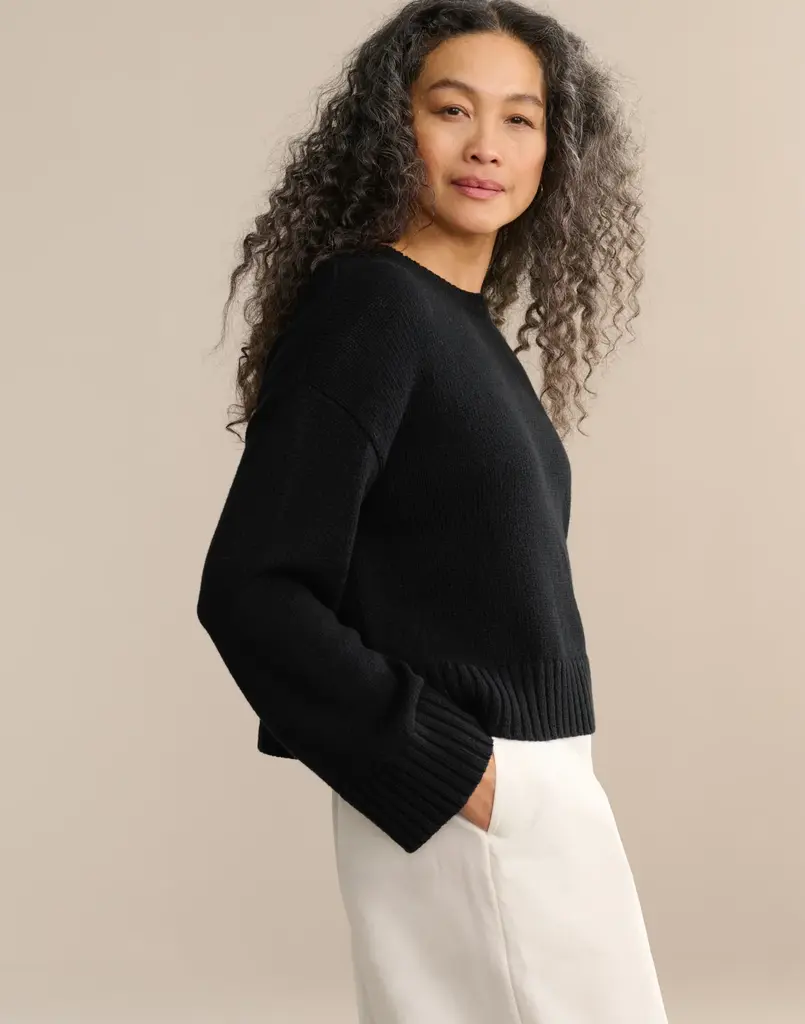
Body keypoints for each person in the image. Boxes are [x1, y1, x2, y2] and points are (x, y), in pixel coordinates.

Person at [196, 0, 668, 1020]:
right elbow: (252, 588)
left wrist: (524, 789)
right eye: (451, 109)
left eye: (519, 118)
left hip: (534, 787)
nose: (486, 145)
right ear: (390, 126)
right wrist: (457, 772)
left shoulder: (460, 330)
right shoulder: (372, 310)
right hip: (472, 795)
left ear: (552, 148)